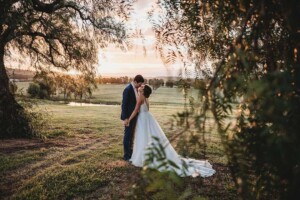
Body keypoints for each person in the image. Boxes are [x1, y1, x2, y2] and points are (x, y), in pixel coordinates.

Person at [126, 84, 216, 177]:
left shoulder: (140, 97)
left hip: (143, 119)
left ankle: (142, 158)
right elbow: (146, 109)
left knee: (143, 137)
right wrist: (139, 92)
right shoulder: (145, 98)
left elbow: (136, 110)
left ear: (143, 91)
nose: (141, 86)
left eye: (143, 87)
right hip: (147, 117)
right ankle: (144, 157)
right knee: (146, 138)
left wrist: (129, 119)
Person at [121, 75, 144, 161]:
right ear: (135, 81)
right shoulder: (128, 89)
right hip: (128, 117)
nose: (140, 85)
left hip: (133, 116)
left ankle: (130, 153)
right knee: (127, 135)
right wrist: (126, 118)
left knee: (131, 135)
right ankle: (126, 155)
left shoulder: (135, 89)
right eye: (140, 83)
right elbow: (124, 105)